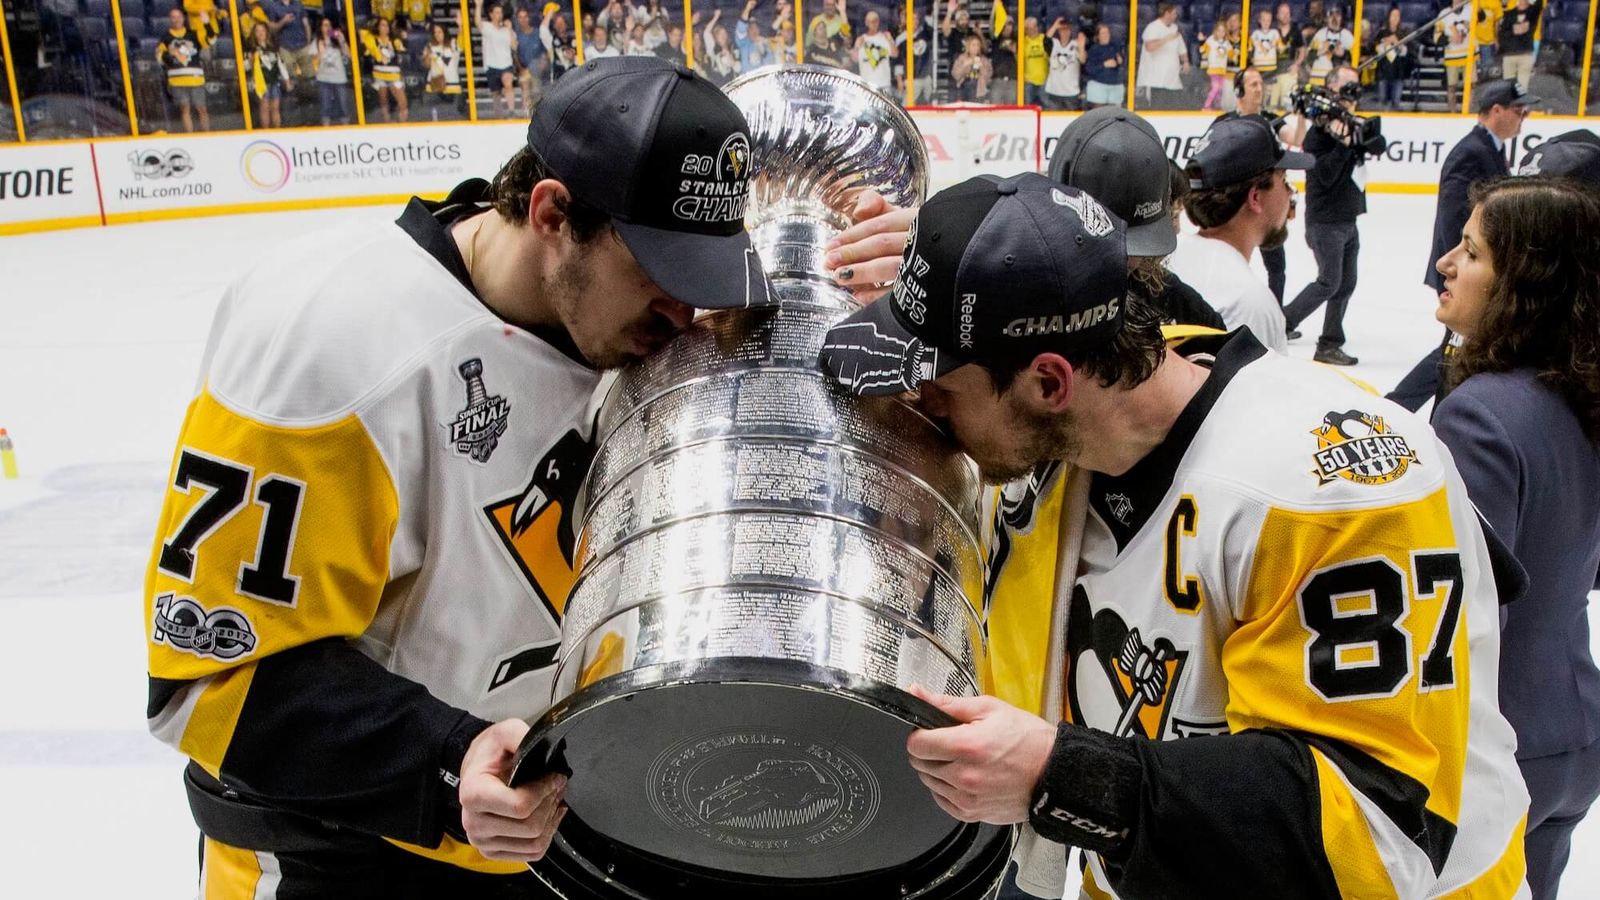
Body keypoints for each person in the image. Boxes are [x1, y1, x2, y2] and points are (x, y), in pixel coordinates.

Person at [143, 56, 773, 899]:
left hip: (530, 836)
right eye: (663, 274)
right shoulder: (332, 343)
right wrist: (442, 761)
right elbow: (208, 678)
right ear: (553, 213)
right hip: (344, 853)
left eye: (707, 278)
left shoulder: (629, 328)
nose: (689, 316)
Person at [816, 170, 1531, 900]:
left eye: (939, 383)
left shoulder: (1325, 491)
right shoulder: (1080, 422)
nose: (919, 402)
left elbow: (1378, 841)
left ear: (1050, 383)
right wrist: (966, 265)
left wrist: (1065, 778)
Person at [1431, 177, 1600, 900]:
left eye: (1469, 252)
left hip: (1498, 746)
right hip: (1576, 727)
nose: (1444, 262)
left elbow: (1469, 618)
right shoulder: (1583, 394)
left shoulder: (1479, 415)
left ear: (1519, 285)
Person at [1392, 80, 1536, 409]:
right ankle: (1402, 406)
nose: (1524, 115)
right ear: (1496, 110)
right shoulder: (1472, 152)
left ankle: (1401, 405)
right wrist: (1459, 268)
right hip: (1465, 270)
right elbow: (1452, 216)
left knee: (1456, 345)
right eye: (1518, 109)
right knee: (1456, 345)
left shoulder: (1490, 149)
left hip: (1474, 268)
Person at [1048, 107, 1226, 331]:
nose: (1129, 261)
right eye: (1106, 244)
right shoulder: (1019, 290)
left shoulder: (1164, 295)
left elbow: (1216, 331)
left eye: (1138, 244)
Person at [1170, 116, 1307, 352]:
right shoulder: (1252, 305)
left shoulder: (1166, 257)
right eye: (1283, 179)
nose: (1289, 193)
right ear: (1255, 198)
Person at [1282, 65, 1386, 365]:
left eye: (1355, 88)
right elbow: (1324, 175)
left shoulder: (1349, 127)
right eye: (1346, 88)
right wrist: (1343, 145)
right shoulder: (1318, 134)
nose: (1352, 95)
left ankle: (1328, 342)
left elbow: (1377, 144)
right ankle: (1284, 322)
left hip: (1347, 219)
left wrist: (1361, 136)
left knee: (1345, 282)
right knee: (1330, 281)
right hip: (1325, 220)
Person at [1222, 66, 1304, 307]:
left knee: (1277, 265)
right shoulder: (1227, 122)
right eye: (1253, 84)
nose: (1260, 89)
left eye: (1260, 83)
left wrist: (1300, 114)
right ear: (1239, 91)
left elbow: (1296, 140)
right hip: (1238, 202)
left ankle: (1276, 314)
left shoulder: (1270, 120)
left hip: (1267, 201)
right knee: (1232, 260)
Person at [157, 8, 210, 132]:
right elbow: (160, 57)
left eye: (179, 16)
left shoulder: (194, 34)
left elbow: (209, 40)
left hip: (196, 79)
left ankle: (208, 136)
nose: (176, 20)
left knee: (202, 109)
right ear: (170, 19)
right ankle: (190, 137)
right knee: (184, 109)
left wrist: (207, 24)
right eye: (173, 17)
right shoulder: (165, 38)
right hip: (177, 81)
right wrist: (170, 55)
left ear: (183, 18)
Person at [1135, 3, 1187, 107]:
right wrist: (1166, 39)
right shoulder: (1152, 27)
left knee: (1172, 110)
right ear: (1166, 13)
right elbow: (1149, 47)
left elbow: (1182, 49)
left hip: (1172, 80)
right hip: (1156, 81)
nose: (1176, 16)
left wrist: (1185, 61)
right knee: (1157, 108)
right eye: (1174, 13)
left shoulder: (1175, 28)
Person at [246, 19, 293, 129]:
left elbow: (281, 65)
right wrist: (251, 61)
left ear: (266, 32)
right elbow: (246, 67)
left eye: (262, 30)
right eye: (257, 31)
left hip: (274, 80)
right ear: (254, 33)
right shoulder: (251, 49)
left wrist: (287, 80)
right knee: (264, 108)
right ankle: (266, 132)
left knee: (275, 108)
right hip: (261, 83)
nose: (261, 33)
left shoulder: (273, 47)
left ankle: (277, 131)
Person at [364, 17, 408, 123]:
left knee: (403, 103)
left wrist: (404, 40)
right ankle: (387, 122)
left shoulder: (395, 41)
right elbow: (370, 47)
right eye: (382, 25)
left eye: (387, 25)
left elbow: (403, 51)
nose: (385, 28)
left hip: (394, 75)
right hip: (379, 75)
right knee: (383, 102)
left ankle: (402, 125)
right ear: (378, 27)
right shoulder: (372, 39)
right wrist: (379, 56)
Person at [477, 0, 517, 117]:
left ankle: (511, 111)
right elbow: (478, 23)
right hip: (491, 64)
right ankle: (499, 115)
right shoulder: (487, 27)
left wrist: (509, 29)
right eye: (497, 12)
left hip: (506, 64)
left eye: (500, 12)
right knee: (496, 93)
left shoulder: (507, 30)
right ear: (491, 14)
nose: (499, 15)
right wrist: (478, 6)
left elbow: (514, 46)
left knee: (508, 83)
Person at [311, 17, 351, 125]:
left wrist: (342, 41)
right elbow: (313, 61)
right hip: (324, 78)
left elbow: (349, 55)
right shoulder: (317, 41)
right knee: (325, 107)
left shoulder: (337, 40)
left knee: (343, 106)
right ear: (320, 28)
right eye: (325, 25)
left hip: (339, 78)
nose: (327, 27)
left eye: (329, 25)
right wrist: (321, 52)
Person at [1497, 0, 1543, 93]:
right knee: (1508, 88)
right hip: (1509, 54)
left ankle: (1520, 106)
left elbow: (1539, 4)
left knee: (1522, 88)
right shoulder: (1509, 14)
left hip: (1525, 54)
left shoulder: (1532, 12)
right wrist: (1514, 31)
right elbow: (1501, 34)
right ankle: (1512, 105)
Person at [423, 21, 464, 120]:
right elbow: (426, 65)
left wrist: (460, 26)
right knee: (436, 114)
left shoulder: (453, 44)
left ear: (445, 32)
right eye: (435, 32)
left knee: (453, 115)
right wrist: (427, 56)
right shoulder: (430, 46)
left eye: (439, 32)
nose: (437, 34)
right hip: (435, 85)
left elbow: (462, 43)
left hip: (452, 85)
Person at [1437, 0, 1473, 111]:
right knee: (1452, 86)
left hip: (1469, 54)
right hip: (1452, 56)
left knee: (1472, 85)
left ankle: (1467, 111)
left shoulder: (1471, 8)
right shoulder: (1444, 14)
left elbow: (1481, 18)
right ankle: (1453, 112)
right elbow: (1436, 36)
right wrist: (1450, 38)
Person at [853, 9, 897, 96]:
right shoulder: (861, 39)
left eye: (875, 20)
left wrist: (890, 41)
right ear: (866, 23)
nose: (873, 23)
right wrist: (857, 47)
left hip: (884, 85)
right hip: (867, 86)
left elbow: (895, 54)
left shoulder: (884, 37)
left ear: (878, 22)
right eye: (870, 21)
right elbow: (854, 59)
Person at [1042, 18, 1084, 110]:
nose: (1064, 32)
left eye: (1066, 29)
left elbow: (1083, 60)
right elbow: (1045, 40)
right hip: (1054, 92)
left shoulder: (1075, 44)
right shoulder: (1054, 44)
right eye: (1062, 30)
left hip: (1071, 93)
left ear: (1070, 31)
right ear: (1058, 32)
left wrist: (1081, 48)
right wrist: (1055, 25)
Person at [1373, 6, 1409, 111]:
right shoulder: (1381, 33)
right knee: (1382, 102)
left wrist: (1397, 42)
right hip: (1383, 73)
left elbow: (1405, 52)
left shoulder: (1404, 33)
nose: (1395, 18)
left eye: (1397, 16)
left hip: (1398, 72)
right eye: (1393, 15)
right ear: (1388, 17)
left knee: (1396, 103)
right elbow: (1377, 51)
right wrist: (1386, 43)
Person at [1306, 5, 1352, 86]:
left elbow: (1354, 60)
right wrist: (1321, 51)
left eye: (1337, 15)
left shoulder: (1347, 36)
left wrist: (1343, 54)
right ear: (1326, 19)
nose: (1334, 19)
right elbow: (1309, 57)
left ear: (1341, 18)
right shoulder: (1320, 34)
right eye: (1331, 15)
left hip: (1336, 82)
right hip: (1318, 80)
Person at [514, 7, 549, 114]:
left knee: (536, 87)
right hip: (524, 70)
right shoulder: (516, 36)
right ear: (517, 19)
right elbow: (515, 55)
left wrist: (542, 64)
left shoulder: (538, 33)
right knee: (525, 82)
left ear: (529, 18)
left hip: (538, 70)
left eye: (525, 17)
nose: (523, 20)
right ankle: (526, 113)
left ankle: (537, 113)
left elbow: (546, 52)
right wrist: (521, 69)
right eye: (520, 17)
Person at [1083, 23, 1124, 109]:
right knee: (1099, 116)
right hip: (1098, 86)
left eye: (1107, 33)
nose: (1106, 35)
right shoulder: (1093, 49)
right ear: (1098, 36)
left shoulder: (1115, 47)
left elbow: (1121, 63)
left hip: (1115, 86)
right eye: (1103, 33)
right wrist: (1104, 64)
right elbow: (1089, 69)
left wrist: (1120, 61)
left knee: (1114, 116)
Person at [1200, 20, 1232, 111]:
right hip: (1213, 68)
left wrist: (1235, 54)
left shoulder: (1226, 43)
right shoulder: (1211, 40)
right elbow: (1203, 50)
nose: (1221, 33)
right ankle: (1206, 105)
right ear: (1215, 31)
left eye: (1223, 31)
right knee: (1216, 87)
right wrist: (1202, 41)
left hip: (1222, 69)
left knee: (1220, 88)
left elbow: (1231, 54)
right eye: (1219, 30)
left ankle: (1218, 105)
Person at [951, 32, 992, 102]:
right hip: (963, 91)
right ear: (968, 47)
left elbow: (988, 77)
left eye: (978, 45)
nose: (976, 48)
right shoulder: (961, 58)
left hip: (979, 92)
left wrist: (981, 67)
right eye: (973, 45)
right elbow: (955, 75)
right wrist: (965, 65)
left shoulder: (984, 60)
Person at [736, 0, 775, 71]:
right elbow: (741, 27)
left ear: (759, 29)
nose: (753, 30)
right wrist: (748, 8)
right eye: (750, 28)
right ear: (746, 31)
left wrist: (763, 52)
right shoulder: (743, 43)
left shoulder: (765, 44)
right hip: (748, 80)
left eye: (755, 27)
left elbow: (771, 66)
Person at [1021, 16, 1049, 106]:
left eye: (1035, 26)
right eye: (1030, 28)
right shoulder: (1022, 42)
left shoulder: (1044, 39)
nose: (1033, 30)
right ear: (1026, 30)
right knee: (1028, 110)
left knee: (1047, 108)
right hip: (1029, 82)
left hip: (1044, 81)